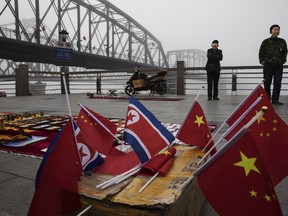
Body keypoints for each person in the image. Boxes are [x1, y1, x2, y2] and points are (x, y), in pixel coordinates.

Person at [259, 24, 287, 105]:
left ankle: (275, 99)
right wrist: (263, 62)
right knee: (267, 83)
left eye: (278, 29)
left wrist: (282, 61)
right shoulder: (266, 41)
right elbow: (261, 52)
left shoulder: (282, 41)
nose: (277, 31)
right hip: (268, 65)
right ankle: (267, 99)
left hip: (278, 66)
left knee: (277, 83)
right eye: (275, 29)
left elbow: (285, 52)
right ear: (271, 31)